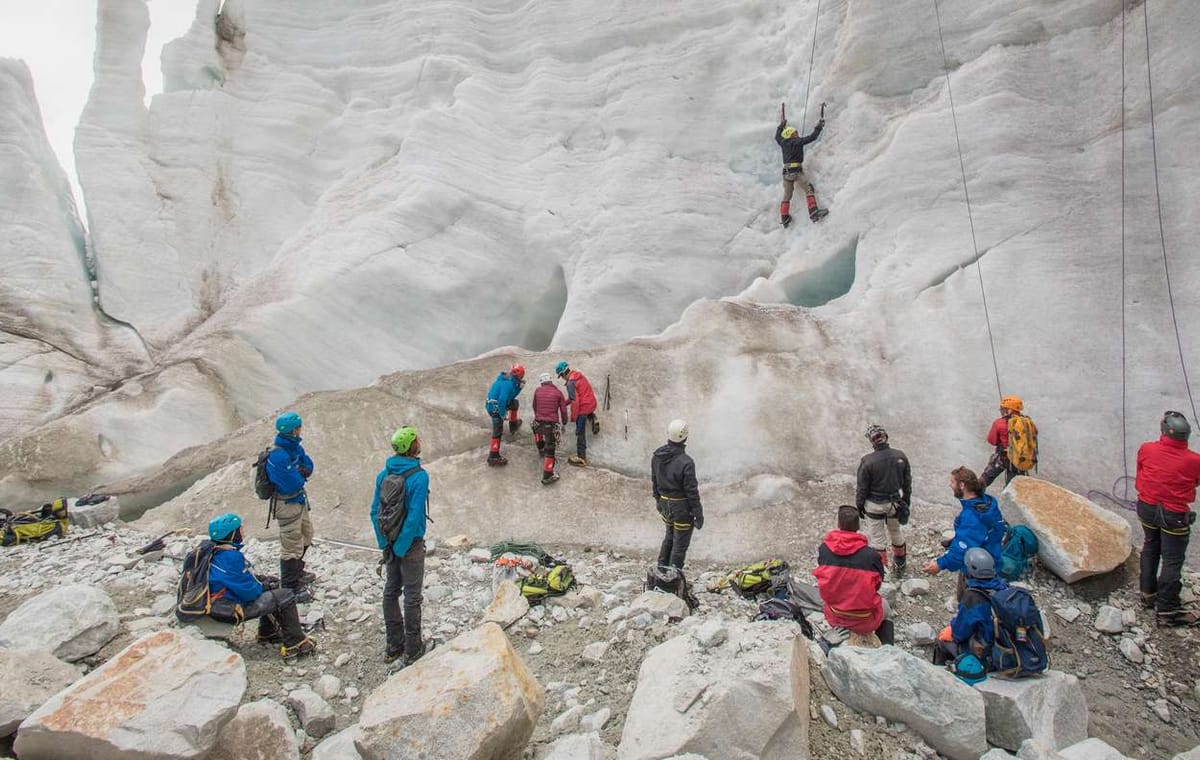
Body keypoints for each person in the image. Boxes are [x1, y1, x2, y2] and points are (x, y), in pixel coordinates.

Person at [206, 513, 316, 658]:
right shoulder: (231, 558)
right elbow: (250, 593)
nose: (242, 532)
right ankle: (296, 644)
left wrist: (264, 583)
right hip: (228, 609)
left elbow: (233, 580)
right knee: (285, 595)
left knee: (272, 589)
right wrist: (264, 586)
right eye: (240, 530)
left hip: (216, 604)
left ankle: (268, 632)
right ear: (232, 534)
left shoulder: (213, 553)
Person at [370, 426, 433, 665]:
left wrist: (384, 542)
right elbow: (415, 516)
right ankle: (413, 648)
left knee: (390, 591)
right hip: (410, 544)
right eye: (417, 440)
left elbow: (375, 510)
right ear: (411, 447)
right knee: (412, 596)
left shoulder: (383, 473)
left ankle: (393, 645)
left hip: (389, 541)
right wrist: (402, 546)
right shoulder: (419, 476)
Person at [1135, 411, 1200, 626]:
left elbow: (1141, 469)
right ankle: (1167, 610)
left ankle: (1147, 592)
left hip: (1147, 507)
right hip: (1174, 514)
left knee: (1151, 546)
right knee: (1172, 560)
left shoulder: (1147, 449)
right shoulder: (1194, 460)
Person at [813, 505, 895, 645]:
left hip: (835, 615)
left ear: (839, 524)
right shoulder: (871, 555)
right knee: (886, 607)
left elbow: (822, 577)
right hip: (865, 619)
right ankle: (887, 649)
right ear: (858, 526)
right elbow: (878, 583)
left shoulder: (824, 550)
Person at [924, 466, 1005, 600]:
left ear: (962, 485)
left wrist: (940, 564)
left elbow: (962, 550)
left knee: (969, 605)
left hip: (977, 571)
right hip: (993, 560)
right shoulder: (987, 502)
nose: (950, 485)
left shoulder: (972, 516)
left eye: (952, 482)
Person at [265, 411, 315, 600]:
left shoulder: (293, 449)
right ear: (293, 430)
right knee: (291, 543)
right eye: (299, 426)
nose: (301, 429)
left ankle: (297, 572)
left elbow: (308, 464)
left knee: (306, 534)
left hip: (298, 501)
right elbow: (293, 482)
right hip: (287, 504)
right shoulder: (278, 456)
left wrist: (301, 471)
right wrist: (301, 473)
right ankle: (290, 586)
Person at [933, 548, 1007, 668]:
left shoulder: (973, 597)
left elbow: (959, 633)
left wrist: (951, 629)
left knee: (942, 641)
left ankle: (944, 674)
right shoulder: (1004, 588)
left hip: (988, 653)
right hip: (1007, 647)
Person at [855, 424, 911, 576]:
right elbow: (907, 483)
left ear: (872, 442)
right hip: (895, 503)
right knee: (895, 532)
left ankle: (881, 573)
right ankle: (900, 566)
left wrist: (859, 506)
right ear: (886, 437)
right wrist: (906, 501)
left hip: (874, 505)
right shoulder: (901, 455)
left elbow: (862, 489)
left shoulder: (867, 461)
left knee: (878, 540)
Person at [651, 419, 704, 570]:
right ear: (685, 437)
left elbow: (654, 481)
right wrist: (698, 514)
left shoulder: (657, 456)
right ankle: (672, 581)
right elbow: (691, 492)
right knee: (679, 545)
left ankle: (660, 574)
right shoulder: (686, 462)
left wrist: (658, 501)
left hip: (665, 504)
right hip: (681, 507)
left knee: (669, 538)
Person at [775, 111, 827, 226]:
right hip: (796, 172)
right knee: (808, 189)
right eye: (795, 133)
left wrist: (780, 126)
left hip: (786, 173)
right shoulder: (797, 141)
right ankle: (813, 212)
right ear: (792, 134)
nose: (797, 134)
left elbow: (777, 137)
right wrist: (818, 127)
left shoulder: (783, 142)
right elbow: (812, 137)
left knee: (787, 195)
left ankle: (784, 217)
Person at [981, 395, 1036, 489]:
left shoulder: (999, 423)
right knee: (1013, 486)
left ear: (1009, 410)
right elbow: (1034, 434)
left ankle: (974, 496)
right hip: (1019, 458)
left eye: (1002, 409)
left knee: (985, 479)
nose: (1001, 411)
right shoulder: (1027, 422)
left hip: (1002, 457)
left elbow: (992, 441)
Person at [555, 361, 598, 467]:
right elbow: (573, 397)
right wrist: (563, 404)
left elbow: (575, 401)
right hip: (592, 403)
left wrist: (574, 417)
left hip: (583, 408)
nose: (562, 378)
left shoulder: (570, 383)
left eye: (561, 376)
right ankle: (593, 417)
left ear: (564, 373)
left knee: (580, 432)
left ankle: (581, 458)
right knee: (586, 407)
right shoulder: (579, 375)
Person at [532, 373, 569, 485]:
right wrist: (564, 422)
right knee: (550, 448)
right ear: (551, 381)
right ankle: (548, 474)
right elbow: (563, 410)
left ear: (542, 382)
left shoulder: (537, 391)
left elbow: (534, 406)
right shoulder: (558, 393)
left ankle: (540, 448)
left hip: (538, 422)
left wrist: (538, 415)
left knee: (537, 431)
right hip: (550, 424)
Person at [485, 364, 525, 466]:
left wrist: (519, 388)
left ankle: (513, 425)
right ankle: (493, 456)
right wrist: (502, 414)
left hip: (494, 404)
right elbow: (503, 399)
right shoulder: (508, 384)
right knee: (498, 430)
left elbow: (511, 396)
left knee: (514, 403)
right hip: (494, 408)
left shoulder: (510, 380)